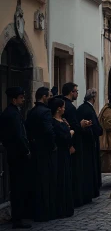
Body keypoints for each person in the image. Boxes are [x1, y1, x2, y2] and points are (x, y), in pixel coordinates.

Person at [0, 87, 32, 229]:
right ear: (14, 99)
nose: (23, 99)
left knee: (18, 186)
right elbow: (19, 136)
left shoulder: (12, 112)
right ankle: (17, 219)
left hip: (15, 154)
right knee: (18, 187)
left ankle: (18, 216)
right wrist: (26, 151)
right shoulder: (12, 114)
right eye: (20, 97)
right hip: (17, 155)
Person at [25, 87, 57, 222]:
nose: (50, 98)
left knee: (36, 181)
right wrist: (53, 145)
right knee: (45, 182)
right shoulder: (46, 112)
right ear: (43, 97)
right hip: (44, 150)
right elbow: (49, 131)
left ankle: (35, 211)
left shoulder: (31, 112)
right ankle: (44, 212)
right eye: (49, 96)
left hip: (34, 149)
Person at [60, 82, 92, 207]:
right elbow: (74, 127)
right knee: (75, 171)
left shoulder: (67, 106)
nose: (77, 93)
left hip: (71, 142)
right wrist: (82, 125)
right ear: (70, 92)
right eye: (76, 91)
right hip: (73, 143)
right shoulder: (70, 107)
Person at [49, 97, 74, 218]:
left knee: (66, 179)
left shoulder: (63, 121)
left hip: (65, 154)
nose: (64, 109)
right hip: (60, 154)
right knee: (60, 180)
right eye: (63, 107)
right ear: (58, 109)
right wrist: (71, 133)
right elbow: (63, 137)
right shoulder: (54, 122)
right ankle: (60, 208)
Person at [77, 88, 103, 199]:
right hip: (90, 141)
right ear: (93, 98)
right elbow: (96, 127)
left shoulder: (82, 108)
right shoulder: (88, 109)